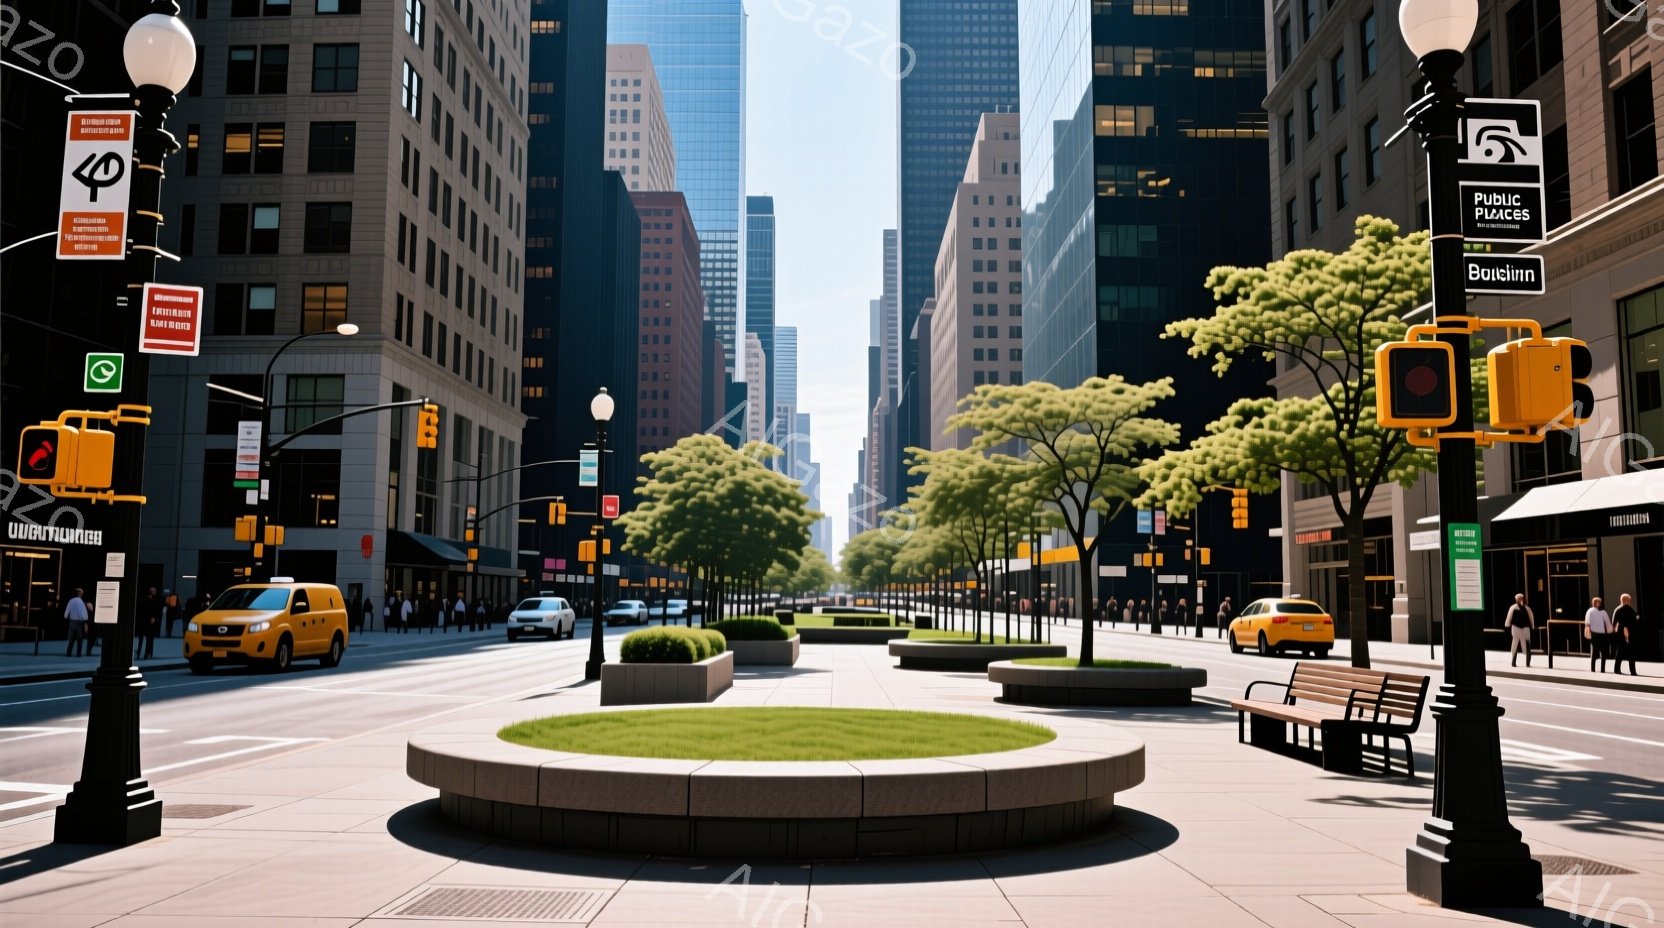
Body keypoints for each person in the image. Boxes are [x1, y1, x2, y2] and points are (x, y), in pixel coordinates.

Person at [1584, 596, 1614, 673]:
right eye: (1599, 602)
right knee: (1603, 652)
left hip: (1594, 634)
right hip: (1601, 634)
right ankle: (1602, 669)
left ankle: (1593, 669)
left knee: (1595, 651)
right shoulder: (1603, 612)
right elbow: (1608, 623)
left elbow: (1587, 623)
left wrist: (1588, 633)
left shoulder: (1589, 611)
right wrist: (1610, 630)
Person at [1505, 592, 1535, 667]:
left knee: (1527, 644)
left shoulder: (1527, 608)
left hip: (1525, 628)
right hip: (1516, 627)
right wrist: (1507, 624)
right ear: (1516, 600)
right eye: (1519, 599)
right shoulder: (1513, 607)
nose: (1521, 600)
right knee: (1515, 644)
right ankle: (1513, 662)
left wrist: (1532, 626)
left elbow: (1531, 617)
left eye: (1522, 598)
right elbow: (1509, 616)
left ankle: (1528, 663)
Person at [1612, 593, 1640, 677]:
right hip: (1630, 633)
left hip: (1620, 633)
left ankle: (1616, 669)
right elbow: (1636, 618)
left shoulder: (1618, 609)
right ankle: (1633, 671)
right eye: (1629, 600)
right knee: (1631, 653)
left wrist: (1616, 630)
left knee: (1619, 652)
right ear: (1627, 600)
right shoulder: (1630, 609)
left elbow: (1614, 622)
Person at [64, 588, 90, 657]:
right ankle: (78, 654)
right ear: (80, 594)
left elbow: (66, 612)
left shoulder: (71, 601)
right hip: (79, 623)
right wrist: (85, 620)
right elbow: (84, 614)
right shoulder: (81, 602)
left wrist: (66, 616)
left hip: (72, 622)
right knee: (79, 639)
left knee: (71, 639)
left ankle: (68, 653)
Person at [136, 586, 161, 659]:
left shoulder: (156, 600)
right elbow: (142, 608)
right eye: (152, 591)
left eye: (154, 591)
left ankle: (149, 653)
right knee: (145, 638)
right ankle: (142, 652)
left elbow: (157, 609)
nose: (153, 593)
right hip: (145, 620)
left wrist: (155, 618)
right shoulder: (146, 599)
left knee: (150, 638)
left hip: (151, 621)